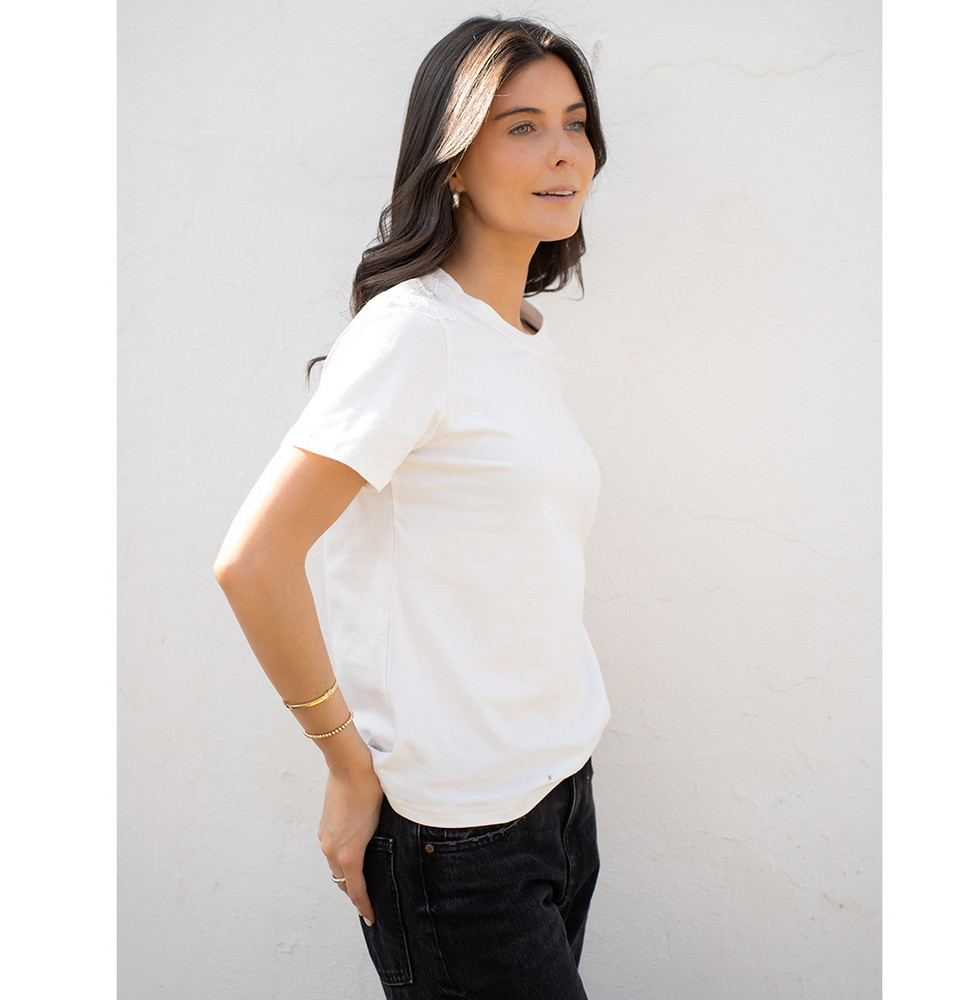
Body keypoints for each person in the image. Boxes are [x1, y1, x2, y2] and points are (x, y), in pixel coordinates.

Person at [214, 15, 610, 999]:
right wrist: (347, 766)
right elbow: (255, 560)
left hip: (558, 798)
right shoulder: (413, 334)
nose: (564, 150)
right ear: (453, 160)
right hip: (455, 837)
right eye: (522, 126)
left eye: (575, 121)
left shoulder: (519, 339)